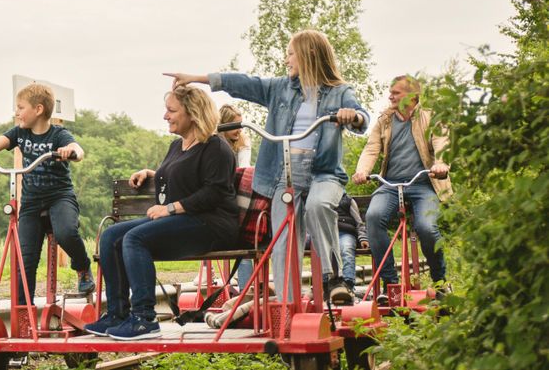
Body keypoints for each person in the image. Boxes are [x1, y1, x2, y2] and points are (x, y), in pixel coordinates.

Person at [165, 29, 370, 305]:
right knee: (284, 242)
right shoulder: (279, 89)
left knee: (319, 206)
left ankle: (335, 279)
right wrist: (198, 79)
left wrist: (352, 116)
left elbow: (362, 118)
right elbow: (244, 83)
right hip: (284, 176)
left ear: (308, 54)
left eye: (290, 53)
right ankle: (288, 307)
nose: (286, 60)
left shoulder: (340, 92)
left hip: (323, 173)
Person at [83, 85, 238, 340]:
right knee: (111, 236)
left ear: (193, 113)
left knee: (134, 239)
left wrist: (170, 208)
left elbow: (215, 192)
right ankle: (117, 314)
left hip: (211, 224)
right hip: (183, 219)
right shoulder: (178, 146)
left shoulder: (216, 148)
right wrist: (152, 175)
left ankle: (144, 319)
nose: (166, 116)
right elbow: (183, 177)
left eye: (171, 110)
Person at [0, 83, 95, 299]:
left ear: (38, 110)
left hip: (59, 197)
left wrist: (71, 151)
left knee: (66, 232)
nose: (16, 112)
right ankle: (22, 311)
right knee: (24, 258)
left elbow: (79, 150)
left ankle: (83, 267)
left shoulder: (58, 135)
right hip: (31, 202)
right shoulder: (19, 133)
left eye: (20, 107)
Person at [353, 75, 450, 302]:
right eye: (391, 92)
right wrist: (362, 170)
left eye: (396, 92)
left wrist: (441, 163)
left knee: (426, 227)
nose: (390, 96)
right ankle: (391, 284)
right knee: (374, 217)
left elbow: (441, 142)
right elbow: (371, 148)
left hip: (423, 183)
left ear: (413, 96)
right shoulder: (384, 121)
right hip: (389, 184)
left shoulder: (431, 117)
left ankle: (440, 283)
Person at [219, 104, 254, 291]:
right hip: (222, 199)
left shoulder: (242, 142)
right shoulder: (216, 143)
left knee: (245, 238)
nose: (239, 130)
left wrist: (244, 145)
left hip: (235, 195)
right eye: (234, 125)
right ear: (223, 124)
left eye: (241, 125)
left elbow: (244, 169)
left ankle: (245, 288)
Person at [334, 192, 369, 304]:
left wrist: (363, 238)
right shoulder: (319, 198)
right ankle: (325, 284)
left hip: (345, 232)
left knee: (347, 249)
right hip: (327, 233)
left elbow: (359, 222)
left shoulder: (347, 200)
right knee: (324, 251)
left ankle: (348, 285)